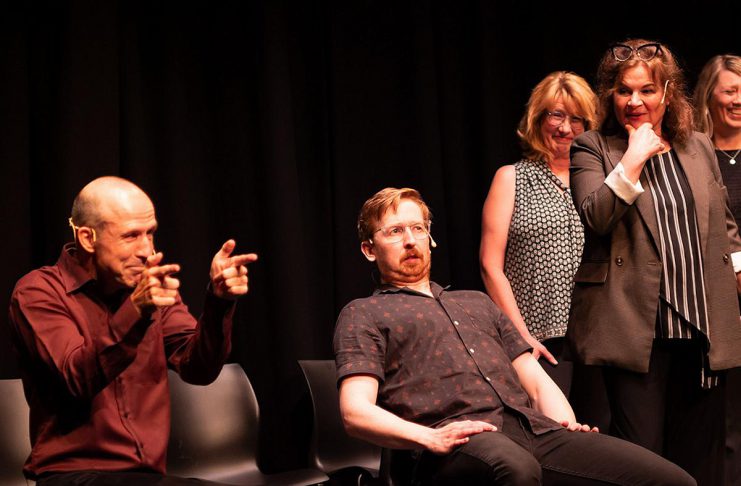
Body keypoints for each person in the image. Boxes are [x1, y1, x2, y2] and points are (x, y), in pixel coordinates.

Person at [333, 187, 695, 486]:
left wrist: (565, 424)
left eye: (417, 229)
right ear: (369, 249)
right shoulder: (364, 313)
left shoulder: (477, 303)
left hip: (531, 431)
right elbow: (355, 412)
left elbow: (535, 383)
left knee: (673, 480)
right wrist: (430, 437)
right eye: (395, 231)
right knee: (517, 470)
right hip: (457, 440)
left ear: (431, 239)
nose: (410, 240)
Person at [8, 176, 258, 485]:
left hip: (145, 477)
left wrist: (219, 302)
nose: (148, 251)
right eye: (131, 236)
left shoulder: (150, 290)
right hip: (72, 475)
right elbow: (77, 378)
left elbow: (199, 370)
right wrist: (136, 311)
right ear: (88, 238)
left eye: (151, 233)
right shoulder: (38, 293)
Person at [568, 40, 741, 486]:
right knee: (645, 466)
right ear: (611, 95)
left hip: (701, 329)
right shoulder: (593, 147)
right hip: (637, 334)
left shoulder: (698, 146)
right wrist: (634, 158)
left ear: (667, 94)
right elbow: (597, 216)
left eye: (647, 90)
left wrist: (737, 276)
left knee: (701, 462)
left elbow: (724, 226)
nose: (635, 101)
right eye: (625, 91)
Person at [480, 71, 596, 396]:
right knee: (554, 437)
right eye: (556, 114)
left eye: (577, 118)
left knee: (602, 439)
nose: (565, 127)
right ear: (537, 118)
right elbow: (490, 265)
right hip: (538, 341)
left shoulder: (601, 180)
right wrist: (521, 336)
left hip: (597, 339)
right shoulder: (511, 179)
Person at [693, 53, 741, 486]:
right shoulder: (694, 153)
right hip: (716, 297)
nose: (739, 101)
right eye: (731, 91)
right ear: (710, 96)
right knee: (726, 417)